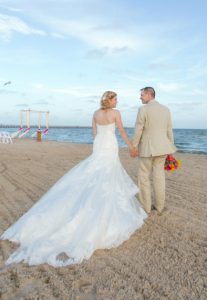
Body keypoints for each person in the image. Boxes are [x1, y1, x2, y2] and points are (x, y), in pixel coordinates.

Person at [0, 91, 147, 267]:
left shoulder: (95, 113)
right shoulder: (116, 113)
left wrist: (99, 144)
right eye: (115, 98)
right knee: (108, 174)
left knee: (98, 171)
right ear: (109, 100)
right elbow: (121, 130)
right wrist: (131, 146)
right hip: (110, 144)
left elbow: (94, 132)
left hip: (100, 144)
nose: (117, 101)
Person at [131, 87, 177, 215]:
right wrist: (171, 148)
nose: (140, 97)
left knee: (143, 177)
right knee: (159, 177)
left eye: (142, 95)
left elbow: (138, 130)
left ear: (149, 94)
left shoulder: (143, 109)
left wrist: (133, 146)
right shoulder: (166, 110)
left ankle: (146, 207)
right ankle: (160, 207)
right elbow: (169, 130)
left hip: (147, 149)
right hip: (163, 148)